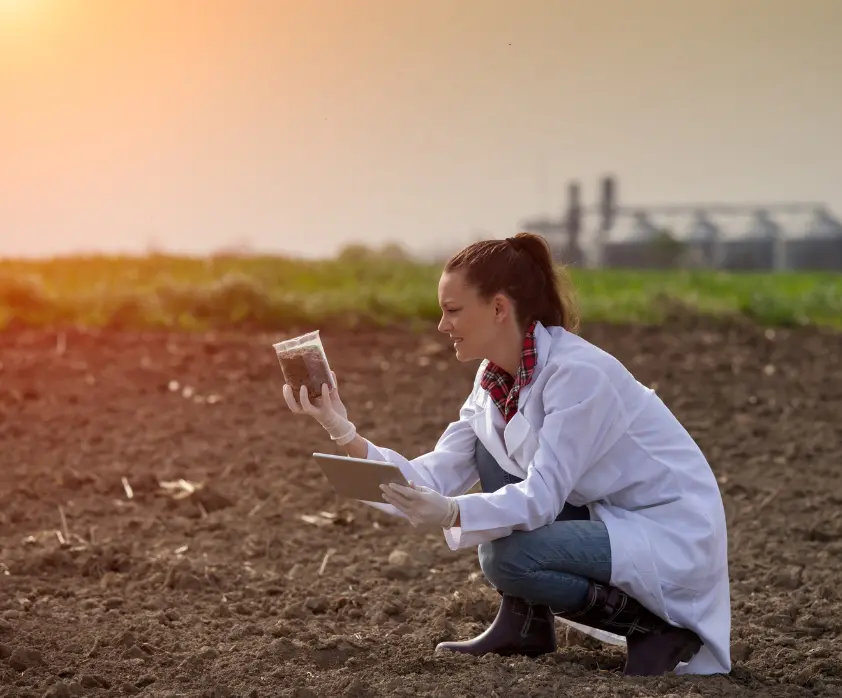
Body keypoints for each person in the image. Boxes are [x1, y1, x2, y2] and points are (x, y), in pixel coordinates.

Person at [282, 232, 731, 676]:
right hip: (608, 513)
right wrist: (339, 427)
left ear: (498, 308)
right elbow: (430, 477)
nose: (442, 326)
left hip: (667, 528)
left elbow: (541, 499)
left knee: (508, 558)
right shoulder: (494, 379)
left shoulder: (578, 375)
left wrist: (453, 512)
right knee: (492, 450)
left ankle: (654, 630)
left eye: (453, 311)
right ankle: (525, 624)